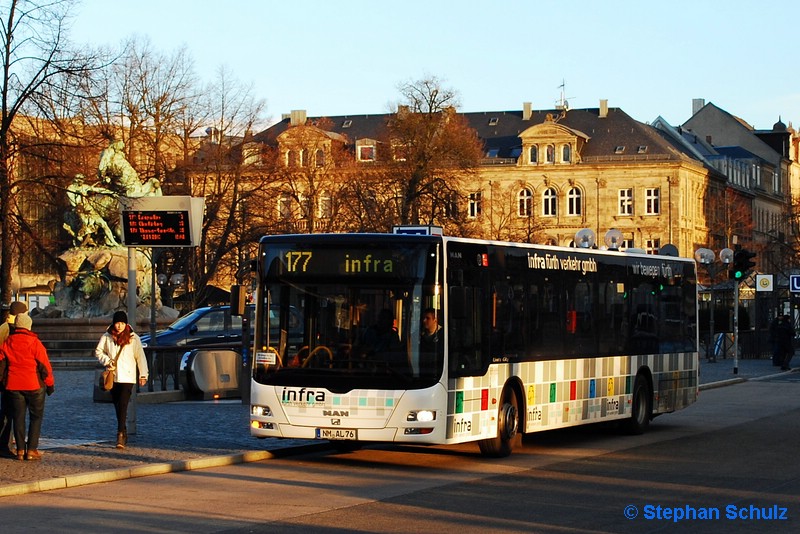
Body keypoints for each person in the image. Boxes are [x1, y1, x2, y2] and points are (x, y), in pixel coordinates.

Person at [0, 312, 54, 461]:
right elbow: (45, 367)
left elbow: (1, 364)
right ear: (29, 326)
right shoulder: (35, 343)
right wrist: (50, 384)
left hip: (14, 385)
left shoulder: (8, 342)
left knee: (18, 418)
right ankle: (31, 450)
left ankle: (20, 451)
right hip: (34, 384)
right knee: (35, 418)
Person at [94, 310, 149, 449]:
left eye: (122, 323)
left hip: (128, 377)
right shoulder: (107, 337)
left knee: (123, 404)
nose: (119, 326)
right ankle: (123, 430)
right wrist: (107, 360)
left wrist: (143, 374)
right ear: (114, 323)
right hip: (114, 376)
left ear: (126, 324)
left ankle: (119, 434)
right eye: (117, 323)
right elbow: (98, 351)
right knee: (117, 404)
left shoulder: (134, 338)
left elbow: (140, 357)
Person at [0, 301, 29, 458]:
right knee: (8, 412)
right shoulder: (9, 329)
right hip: (8, 377)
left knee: (9, 411)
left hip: (7, 376)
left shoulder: (5, 327)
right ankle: (4, 445)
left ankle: (7, 444)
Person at [419, 307, 443, 376]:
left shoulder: (443, 335)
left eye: (428, 318)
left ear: (435, 320)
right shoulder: (418, 335)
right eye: (424, 318)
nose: (424, 320)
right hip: (422, 373)